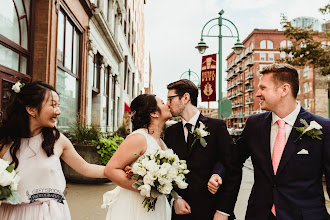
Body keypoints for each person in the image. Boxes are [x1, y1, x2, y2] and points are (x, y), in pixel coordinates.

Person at [214, 63, 330, 220]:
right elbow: (233, 159)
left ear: (284, 90)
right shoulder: (254, 124)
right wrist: (218, 173)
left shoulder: (323, 127)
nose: (257, 93)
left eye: (263, 88)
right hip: (259, 214)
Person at [0, 81, 106, 219]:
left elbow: (85, 168)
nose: (58, 111)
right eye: (53, 105)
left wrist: (116, 170)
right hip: (13, 213)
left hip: (49, 214)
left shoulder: (57, 140)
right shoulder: (5, 141)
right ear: (31, 109)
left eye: (58, 105)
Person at [164, 79, 235, 220]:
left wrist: (223, 211)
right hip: (181, 214)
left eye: (170, 99)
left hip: (213, 212)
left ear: (185, 98)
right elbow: (167, 171)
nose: (167, 104)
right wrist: (175, 199)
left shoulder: (217, 127)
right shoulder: (170, 132)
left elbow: (232, 167)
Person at [103, 94, 173, 220]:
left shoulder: (162, 142)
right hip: (136, 206)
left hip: (158, 205)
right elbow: (110, 170)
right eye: (163, 103)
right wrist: (144, 189)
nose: (168, 104)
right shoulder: (139, 138)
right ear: (154, 113)